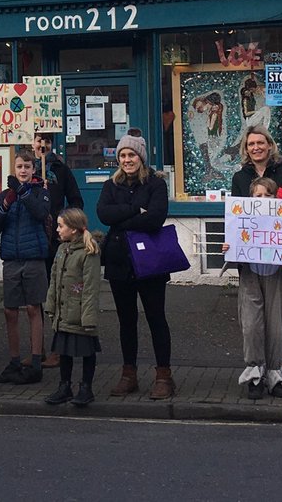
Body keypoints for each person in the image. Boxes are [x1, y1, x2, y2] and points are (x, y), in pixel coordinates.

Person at [96, 129, 175, 399]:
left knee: (156, 319)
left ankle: (163, 375)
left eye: (131, 154)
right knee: (126, 321)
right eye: (122, 155)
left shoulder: (155, 184)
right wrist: (133, 211)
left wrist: (121, 220)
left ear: (140, 157)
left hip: (150, 262)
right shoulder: (111, 185)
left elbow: (155, 219)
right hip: (119, 263)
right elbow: (103, 214)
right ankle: (128, 374)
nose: (127, 160)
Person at [228, 127, 282, 384]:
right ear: (246, 149)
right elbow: (236, 215)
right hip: (251, 257)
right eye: (251, 144)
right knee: (253, 318)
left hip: (280, 255)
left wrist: (277, 200)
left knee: (279, 314)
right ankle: (257, 368)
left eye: (260, 142)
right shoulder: (240, 177)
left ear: (270, 145)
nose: (256, 147)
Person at [222, 177, 282, 400]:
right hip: (251, 274)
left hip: (277, 274)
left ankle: (273, 373)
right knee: (251, 325)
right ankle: (254, 374)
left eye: (268, 195)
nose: (263, 200)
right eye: (258, 196)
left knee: (275, 326)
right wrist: (227, 248)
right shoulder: (241, 219)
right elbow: (231, 247)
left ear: (276, 198)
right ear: (251, 199)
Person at [0, 148, 51, 385]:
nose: (23, 171)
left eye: (27, 167)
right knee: (9, 311)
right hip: (12, 259)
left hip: (34, 257)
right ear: (13, 169)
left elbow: (40, 214)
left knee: (34, 309)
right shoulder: (6, 194)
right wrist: (6, 203)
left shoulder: (40, 192)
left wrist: (23, 192)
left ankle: (36, 360)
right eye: (19, 167)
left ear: (33, 170)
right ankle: (14, 361)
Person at [44, 207, 102, 408]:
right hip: (63, 311)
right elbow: (53, 279)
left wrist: (88, 317)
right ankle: (64, 386)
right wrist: (50, 305)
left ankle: (86, 387)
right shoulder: (61, 249)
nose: (58, 230)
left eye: (61, 226)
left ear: (74, 229)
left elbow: (91, 287)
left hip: (79, 312)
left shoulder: (89, 252)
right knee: (64, 350)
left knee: (86, 351)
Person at [33, 132, 83, 280]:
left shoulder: (61, 169)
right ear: (32, 143)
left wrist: (66, 220)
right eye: (39, 141)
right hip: (33, 231)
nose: (43, 145)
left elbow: (76, 200)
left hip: (56, 232)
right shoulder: (26, 169)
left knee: (56, 276)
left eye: (47, 141)